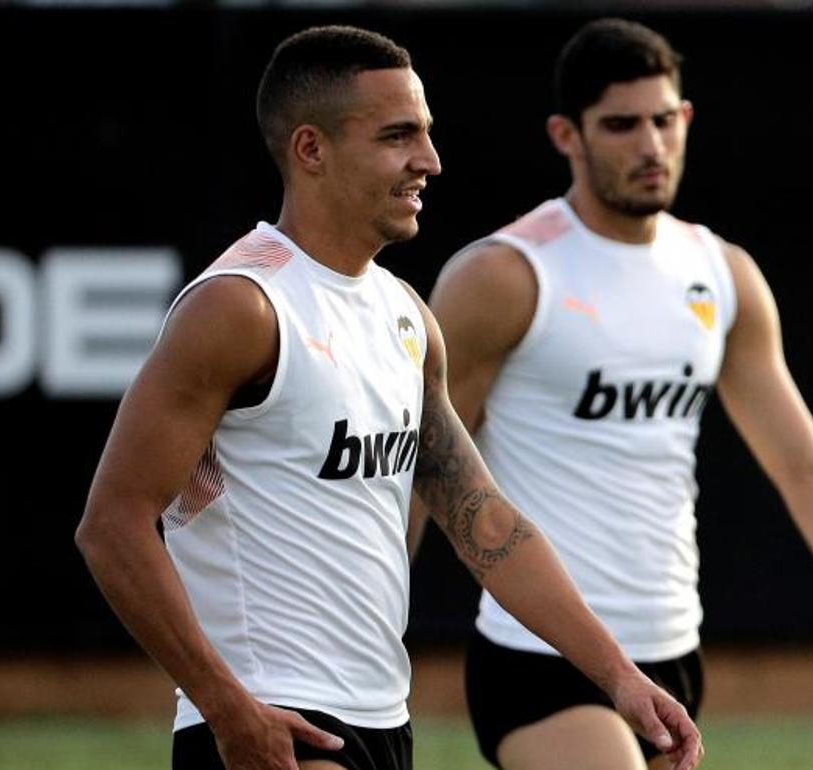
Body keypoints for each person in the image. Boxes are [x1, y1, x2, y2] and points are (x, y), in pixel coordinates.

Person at [74, 25, 703, 770]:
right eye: (398, 136)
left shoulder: (405, 315)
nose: (429, 161)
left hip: (382, 718)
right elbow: (111, 525)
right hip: (276, 717)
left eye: (427, 134)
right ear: (311, 149)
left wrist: (619, 678)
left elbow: (486, 524)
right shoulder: (242, 307)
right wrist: (226, 707)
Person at [420, 18, 813, 770]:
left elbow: (804, 465)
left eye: (665, 121)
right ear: (567, 135)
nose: (650, 145)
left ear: (687, 119)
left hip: (672, 650)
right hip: (541, 657)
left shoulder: (721, 272)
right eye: (622, 125)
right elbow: (420, 467)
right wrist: (366, 631)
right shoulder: (505, 275)